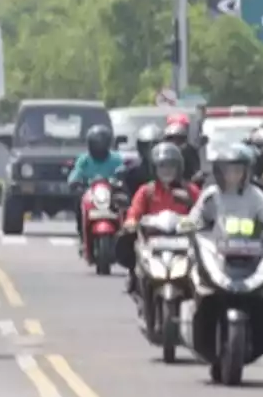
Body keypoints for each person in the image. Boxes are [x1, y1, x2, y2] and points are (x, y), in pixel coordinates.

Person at [119, 142, 200, 295]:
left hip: (183, 242)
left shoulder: (190, 190)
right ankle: (134, 278)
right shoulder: (146, 191)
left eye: (170, 166)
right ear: (154, 169)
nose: (166, 171)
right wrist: (131, 222)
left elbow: (204, 210)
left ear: (179, 168)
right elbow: (135, 211)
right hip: (153, 242)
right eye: (162, 166)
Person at [187, 142, 263, 234]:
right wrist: (186, 224)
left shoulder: (255, 195)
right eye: (227, 171)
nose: (232, 175)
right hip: (217, 246)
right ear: (219, 172)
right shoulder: (211, 195)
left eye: (237, 170)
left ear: (246, 172)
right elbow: (194, 218)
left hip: (249, 246)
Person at [67, 125, 125, 245]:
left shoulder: (116, 158)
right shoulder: (84, 159)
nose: (99, 147)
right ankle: (83, 235)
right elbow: (77, 173)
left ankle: (123, 237)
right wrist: (75, 183)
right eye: (96, 143)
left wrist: (120, 181)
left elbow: (122, 172)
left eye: (102, 143)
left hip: (111, 193)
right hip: (90, 193)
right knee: (79, 204)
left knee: (124, 204)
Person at [118, 123, 165, 198]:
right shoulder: (131, 172)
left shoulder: (170, 168)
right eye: (146, 146)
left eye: (155, 145)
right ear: (140, 147)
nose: (151, 149)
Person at [163, 115, 202, 182]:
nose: (175, 141)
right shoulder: (163, 149)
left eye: (178, 138)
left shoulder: (189, 150)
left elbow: (196, 171)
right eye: (171, 138)